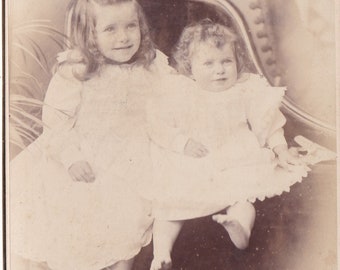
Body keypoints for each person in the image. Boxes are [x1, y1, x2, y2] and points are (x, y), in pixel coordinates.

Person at [9, 0, 173, 269]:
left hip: (133, 162)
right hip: (85, 158)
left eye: (131, 26)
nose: (123, 37)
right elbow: (56, 120)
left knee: (128, 217)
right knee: (70, 211)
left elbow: (177, 99)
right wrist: (71, 157)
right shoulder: (77, 69)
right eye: (110, 29)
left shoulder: (153, 64)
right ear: (90, 34)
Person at [146, 19, 310, 270]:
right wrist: (182, 143)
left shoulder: (245, 89)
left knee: (243, 198)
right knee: (169, 203)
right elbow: (160, 125)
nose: (220, 70)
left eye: (226, 61)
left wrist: (281, 149)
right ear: (190, 68)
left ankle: (240, 228)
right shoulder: (181, 92)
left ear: (237, 62)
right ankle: (162, 253)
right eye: (208, 64)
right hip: (198, 161)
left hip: (237, 158)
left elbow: (268, 123)